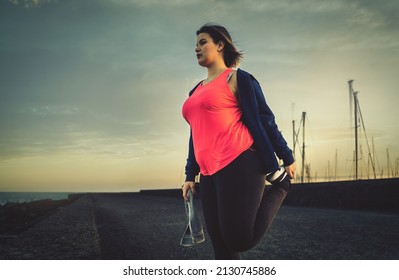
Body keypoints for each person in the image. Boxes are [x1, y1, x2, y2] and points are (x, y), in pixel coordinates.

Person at [181, 23, 296, 259]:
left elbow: (266, 120)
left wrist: (286, 156)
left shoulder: (238, 79)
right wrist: (189, 176)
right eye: (196, 44)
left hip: (241, 162)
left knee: (239, 239)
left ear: (220, 44)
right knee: (222, 247)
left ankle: (282, 187)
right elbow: (196, 134)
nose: (197, 48)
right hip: (209, 173)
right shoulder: (195, 91)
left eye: (203, 42)